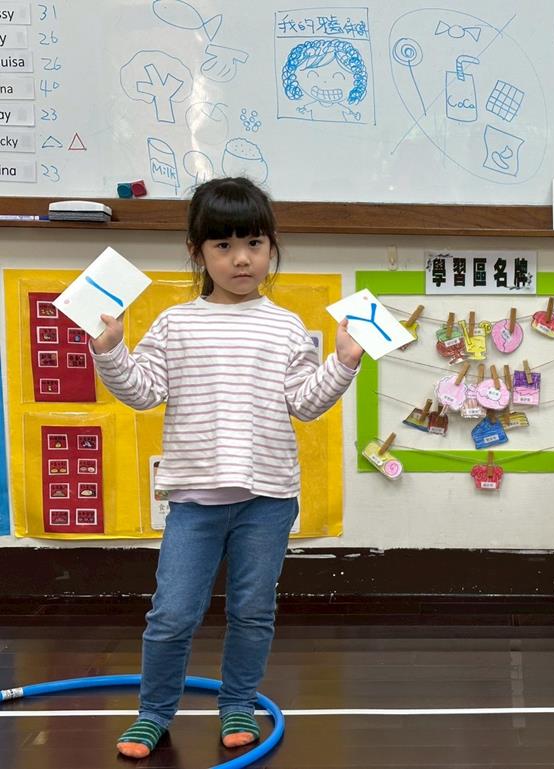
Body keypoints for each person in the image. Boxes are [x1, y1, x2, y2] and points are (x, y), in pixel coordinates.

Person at [90, 176, 363, 759]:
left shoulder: (286, 325)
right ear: (197, 252)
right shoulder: (175, 323)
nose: (242, 259)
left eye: (255, 243)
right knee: (171, 614)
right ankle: (153, 713)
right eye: (224, 245)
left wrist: (343, 363)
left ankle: (238, 702)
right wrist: (110, 349)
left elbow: (305, 403)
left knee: (252, 611)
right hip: (195, 501)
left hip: (268, 500)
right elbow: (142, 392)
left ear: (271, 247)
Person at [281, 38, 368, 122]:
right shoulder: (314, 105)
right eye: (313, 75)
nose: (325, 82)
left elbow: (346, 110)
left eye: (338, 77)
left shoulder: (339, 107)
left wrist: (353, 115)